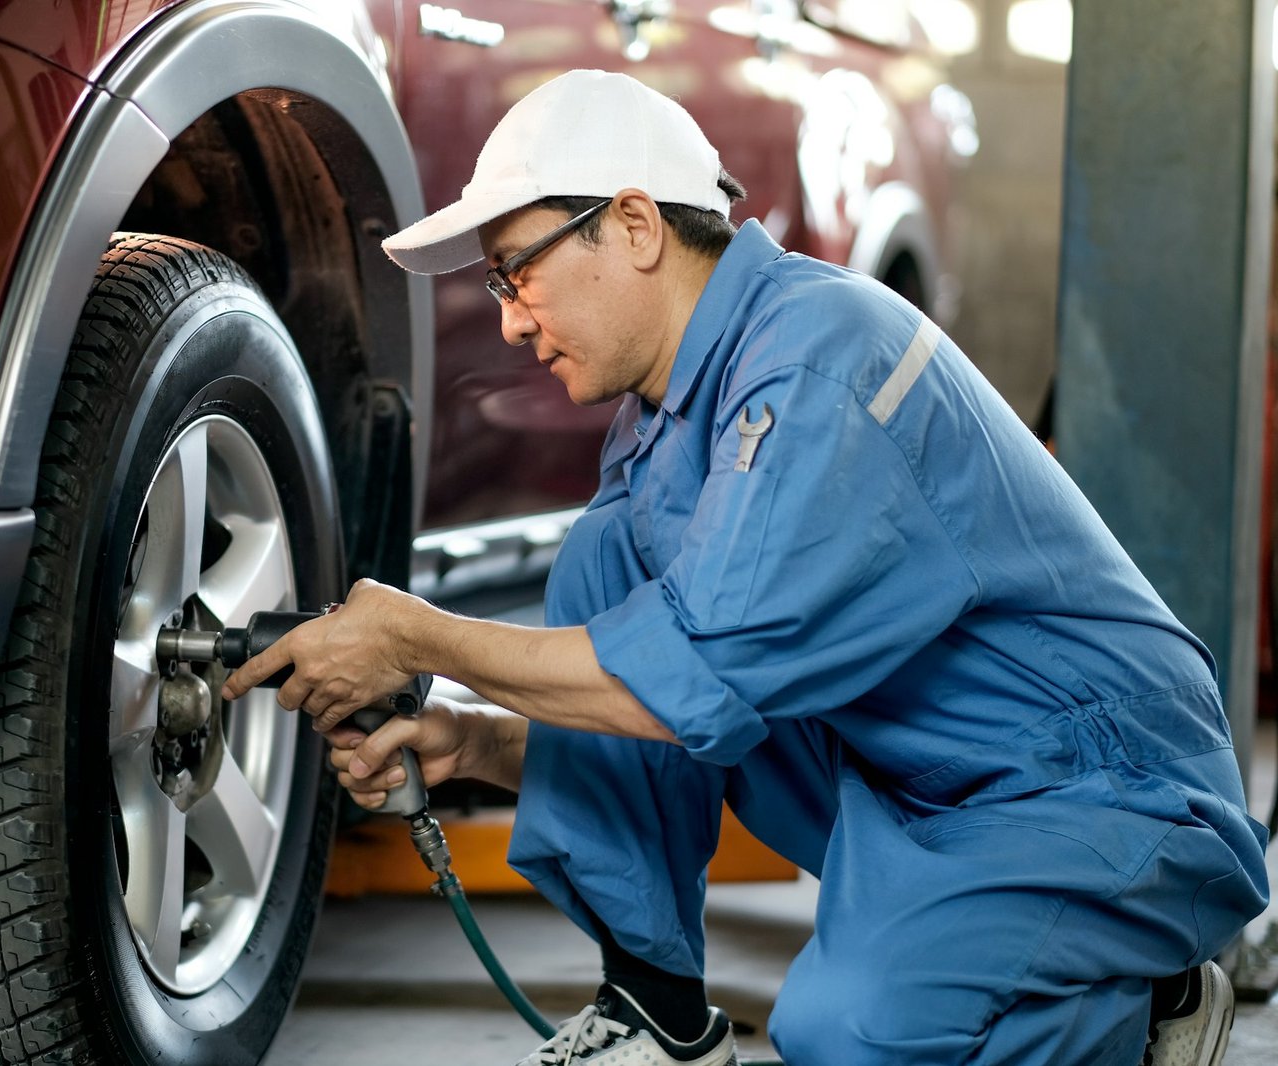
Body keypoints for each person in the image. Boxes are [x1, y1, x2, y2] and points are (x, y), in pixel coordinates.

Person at [222, 70, 1270, 1066]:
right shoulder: (665, 420)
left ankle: (1138, 1000)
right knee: (604, 557)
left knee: (849, 1034)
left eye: (517, 271)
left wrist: (415, 635)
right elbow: (673, 707)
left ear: (633, 225)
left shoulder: (819, 360)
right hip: (911, 774)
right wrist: (472, 740)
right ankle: (656, 1011)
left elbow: (692, 670)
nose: (508, 319)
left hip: (1095, 794)